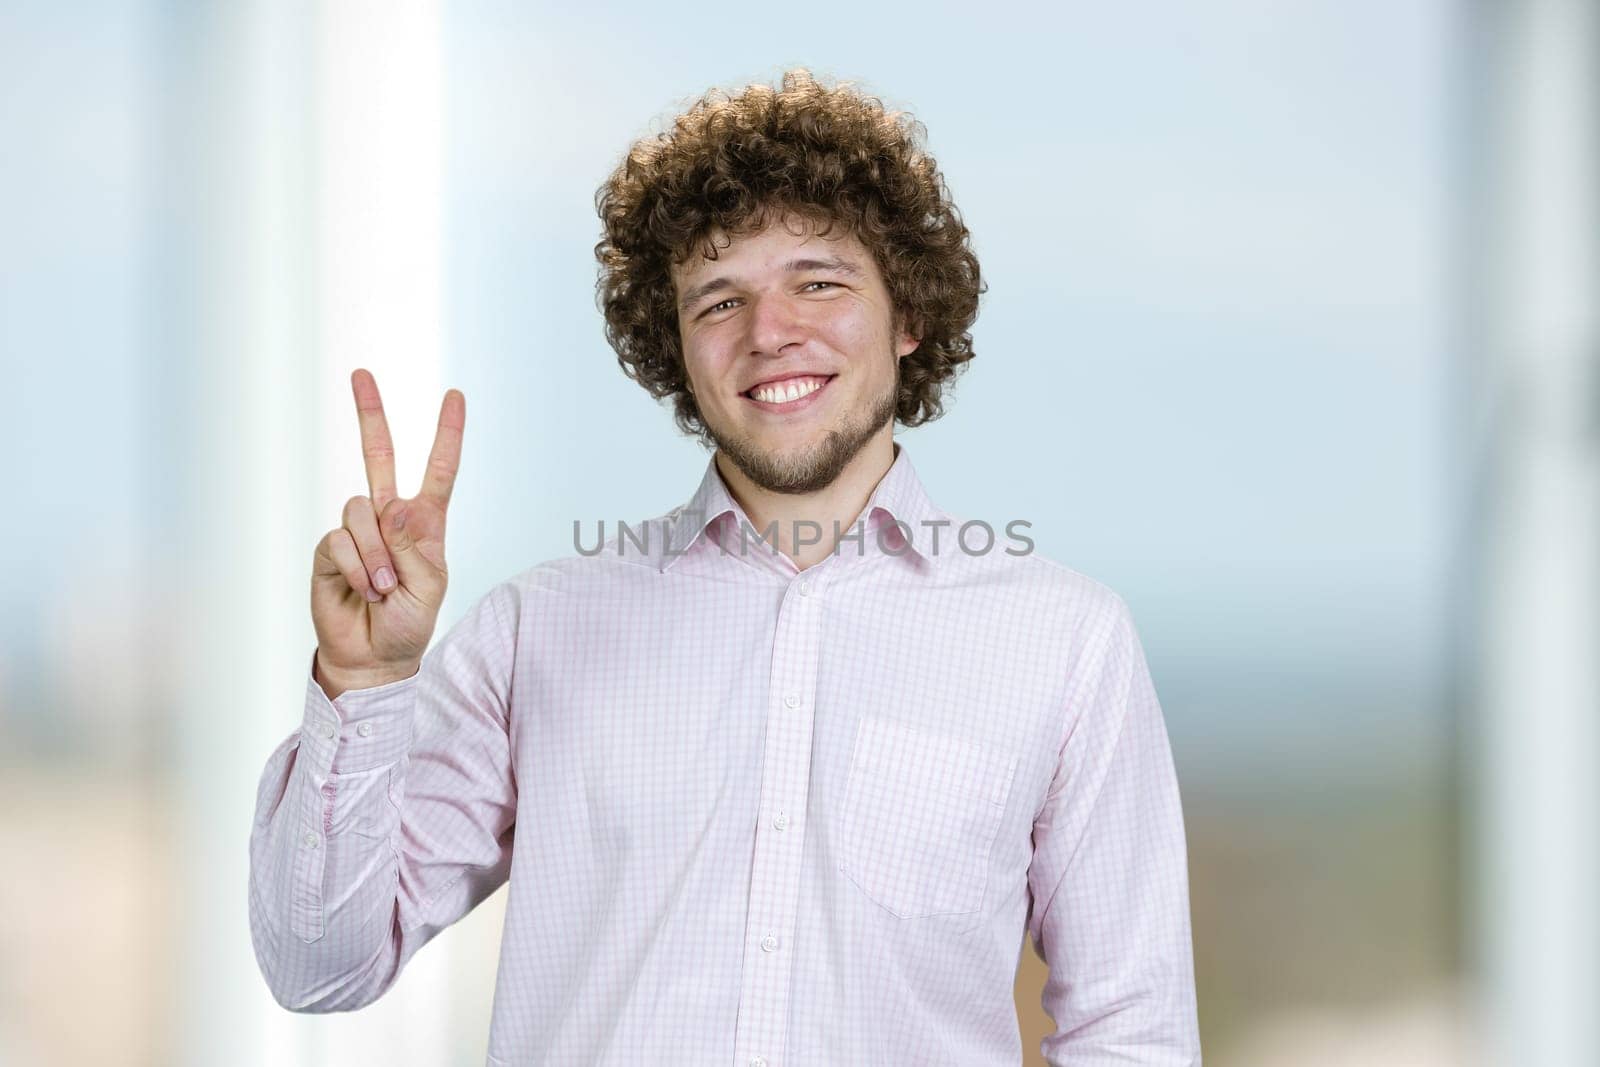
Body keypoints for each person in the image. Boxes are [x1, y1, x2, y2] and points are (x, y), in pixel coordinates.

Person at [248, 67, 1202, 1066]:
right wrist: (362, 681)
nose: (768, 331)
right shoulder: (536, 630)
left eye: (819, 281)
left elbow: (1129, 1033)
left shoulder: (1062, 642)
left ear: (908, 315)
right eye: (718, 299)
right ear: (676, 348)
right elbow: (319, 966)